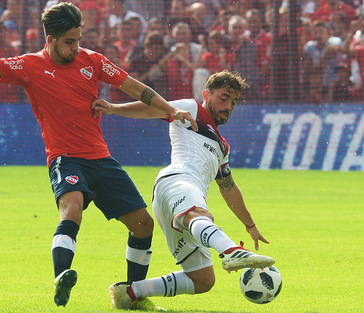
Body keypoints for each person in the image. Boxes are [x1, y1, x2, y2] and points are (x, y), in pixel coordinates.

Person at [0, 2, 198, 308]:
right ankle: (62, 275)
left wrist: (170, 109)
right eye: (69, 41)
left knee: (143, 224)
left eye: (78, 39)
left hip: (101, 159)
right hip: (65, 157)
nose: (76, 47)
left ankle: (132, 296)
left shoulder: (92, 61)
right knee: (72, 209)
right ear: (50, 39)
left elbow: (134, 87)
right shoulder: (29, 66)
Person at [92, 70, 275, 310]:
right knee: (200, 214)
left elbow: (228, 188)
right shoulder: (192, 109)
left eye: (234, 101)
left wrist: (250, 225)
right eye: (223, 98)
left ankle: (130, 292)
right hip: (177, 181)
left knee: (203, 280)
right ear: (206, 94)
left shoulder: (222, 147)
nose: (228, 106)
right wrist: (115, 108)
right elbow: (152, 108)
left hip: (177, 200)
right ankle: (231, 252)